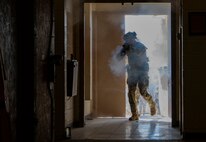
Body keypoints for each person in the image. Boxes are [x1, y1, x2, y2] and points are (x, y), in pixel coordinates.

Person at [117, 31, 156, 121]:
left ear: (133, 39)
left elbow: (139, 55)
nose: (127, 41)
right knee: (131, 93)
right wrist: (122, 51)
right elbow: (118, 58)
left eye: (129, 39)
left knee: (143, 92)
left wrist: (130, 48)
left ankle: (151, 103)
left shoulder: (140, 46)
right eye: (126, 40)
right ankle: (135, 114)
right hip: (132, 72)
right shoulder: (126, 47)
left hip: (142, 71)